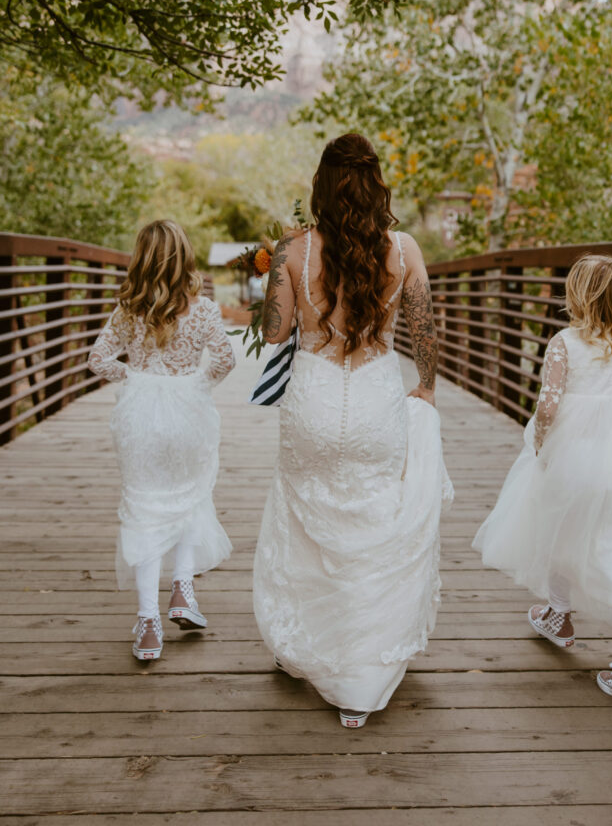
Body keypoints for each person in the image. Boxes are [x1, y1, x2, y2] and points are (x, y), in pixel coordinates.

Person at [252, 132, 453, 728]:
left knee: (307, 521)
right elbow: (424, 332)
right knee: (371, 523)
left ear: (321, 185)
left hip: (313, 397)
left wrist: (271, 271)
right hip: (373, 400)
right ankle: (360, 674)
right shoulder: (405, 249)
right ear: (375, 185)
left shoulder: (294, 249)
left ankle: (304, 649)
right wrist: (428, 388)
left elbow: (272, 332)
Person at [473, 254, 612, 713]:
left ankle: (596, 642)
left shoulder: (563, 343)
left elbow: (546, 408)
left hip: (574, 459)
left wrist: (544, 447)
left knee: (561, 521)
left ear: (576, 296)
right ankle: (595, 641)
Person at [88, 220, 235, 661]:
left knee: (145, 508)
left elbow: (97, 360)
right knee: (190, 495)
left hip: (140, 418)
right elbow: (226, 359)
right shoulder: (203, 309)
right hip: (188, 413)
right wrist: (196, 386)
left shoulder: (128, 309)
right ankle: (183, 593)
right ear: (185, 257)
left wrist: (133, 377)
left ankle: (149, 622)